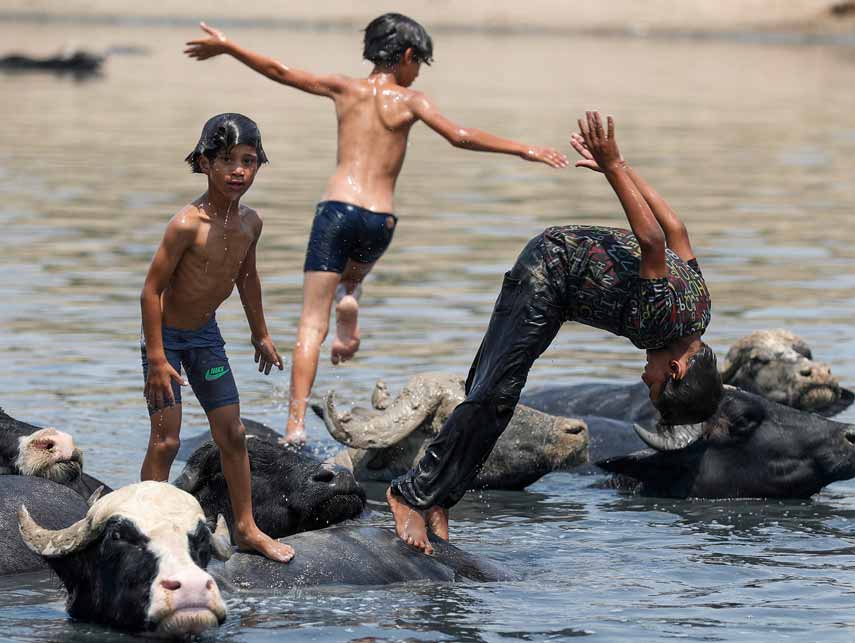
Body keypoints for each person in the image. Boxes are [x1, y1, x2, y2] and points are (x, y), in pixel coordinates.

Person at [183, 13, 569, 444]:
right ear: (406, 56)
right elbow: (459, 136)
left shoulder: (345, 88)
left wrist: (229, 46)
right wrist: (524, 149)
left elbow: (281, 71)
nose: (417, 72)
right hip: (379, 219)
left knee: (312, 322)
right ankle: (351, 295)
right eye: (419, 63)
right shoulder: (411, 101)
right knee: (352, 278)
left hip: (336, 210)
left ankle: (294, 426)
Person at [387, 111, 724, 554]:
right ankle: (407, 495)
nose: (646, 379)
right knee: (493, 396)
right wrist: (616, 167)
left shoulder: (700, 311)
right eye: (656, 384)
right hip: (547, 273)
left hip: (559, 288)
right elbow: (654, 242)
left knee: (491, 395)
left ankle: (438, 500)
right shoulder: (661, 322)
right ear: (678, 369)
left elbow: (676, 230)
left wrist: (617, 165)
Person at [139, 113, 295, 563]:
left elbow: (247, 277)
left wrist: (260, 333)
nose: (238, 171)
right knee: (166, 440)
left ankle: (246, 529)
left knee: (233, 432)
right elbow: (151, 291)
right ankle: (148, 526)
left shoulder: (251, 224)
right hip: (165, 340)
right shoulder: (187, 224)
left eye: (249, 161)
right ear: (205, 163)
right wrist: (155, 359)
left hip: (205, 336)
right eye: (227, 160)